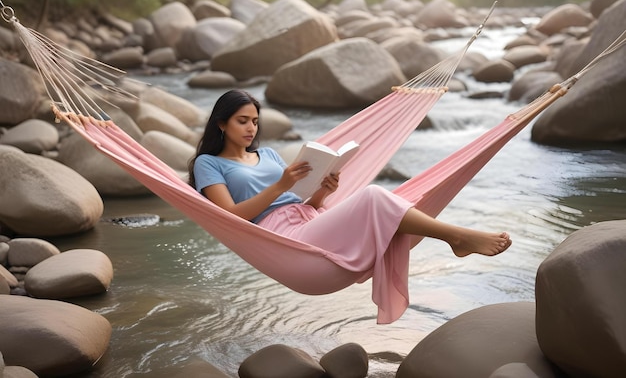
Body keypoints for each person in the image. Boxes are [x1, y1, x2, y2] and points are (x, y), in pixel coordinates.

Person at [188, 89, 511, 260]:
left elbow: (300, 201)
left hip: (309, 219)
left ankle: (456, 238)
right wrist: (280, 186)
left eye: (255, 121)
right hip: (280, 238)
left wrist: (322, 193)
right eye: (242, 120)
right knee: (374, 197)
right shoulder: (209, 164)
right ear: (221, 123)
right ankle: (456, 237)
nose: (251, 128)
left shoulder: (268, 154)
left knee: (378, 202)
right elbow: (230, 217)